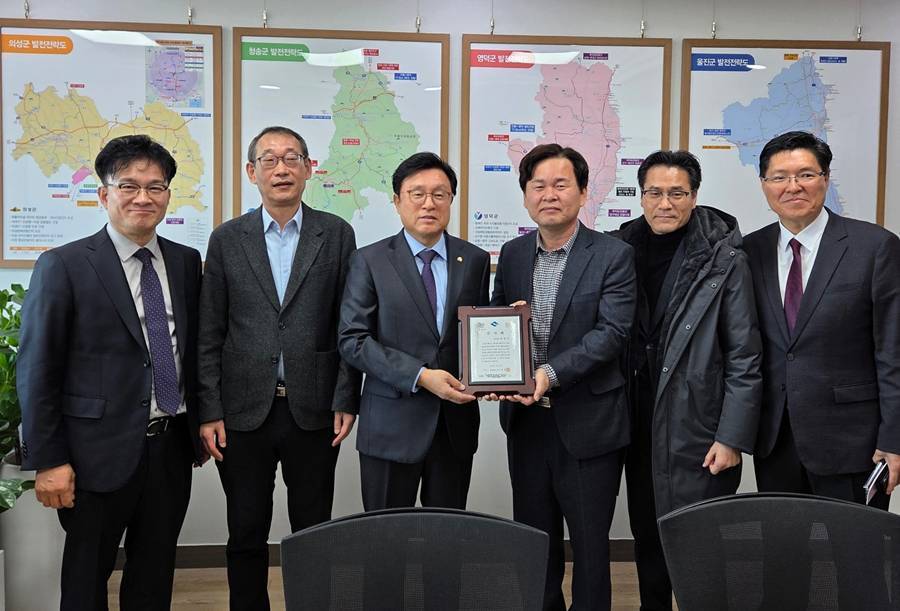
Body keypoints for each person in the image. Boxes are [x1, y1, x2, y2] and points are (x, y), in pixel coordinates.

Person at [18, 134, 203, 610]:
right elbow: (37, 369)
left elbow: (193, 349)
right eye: (129, 186)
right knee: (86, 580)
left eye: (155, 187)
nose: (143, 197)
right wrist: (49, 460)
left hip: (169, 448)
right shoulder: (64, 264)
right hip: (92, 454)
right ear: (104, 194)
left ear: (167, 195)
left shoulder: (185, 262)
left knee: (153, 576)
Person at [198, 126, 360, 610]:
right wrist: (210, 409)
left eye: (292, 158)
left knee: (314, 530)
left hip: (314, 408)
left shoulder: (336, 234)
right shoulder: (227, 239)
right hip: (242, 411)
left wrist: (346, 396)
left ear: (309, 168)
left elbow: (348, 326)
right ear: (252, 172)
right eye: (269, 159)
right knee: (246, 529)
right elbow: (210, 331)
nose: (281, 168)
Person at [745, 131, 900, 610]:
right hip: (776, 438)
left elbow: (893, 351)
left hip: (854, 441)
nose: (793, 186)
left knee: (858, 569)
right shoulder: (748, 251)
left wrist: (894, 439)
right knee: (782, 565)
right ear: (764, 185)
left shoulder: (874, 247)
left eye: (805, 174)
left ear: (825, 179)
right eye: (779, 177)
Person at [489, 143, 635, 611]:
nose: (549, 195)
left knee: (590, 548)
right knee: (536, 543)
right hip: (527, 424)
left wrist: (548, 374)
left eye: (560, 184)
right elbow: (494, 321)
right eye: (538, 186)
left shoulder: (613, 254)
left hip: (589, 422)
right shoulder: (513, 253)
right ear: (525, 195)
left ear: (583, 192)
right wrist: (503, 347)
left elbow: (612, 333)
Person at [616, 150, 761, 610]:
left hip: (698, 425)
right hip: (635, 419)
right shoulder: (619, 250)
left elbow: (744, 356)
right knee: (647, 533)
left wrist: (732, 437)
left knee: (701, 541)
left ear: (694, 196)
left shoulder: (725, 259)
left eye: (677, 193)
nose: (665, 203)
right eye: (655, 193)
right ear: (641, 196)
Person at [338, 152, 489, 511]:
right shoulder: (369, 260)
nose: (428, 204)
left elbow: (479, 332)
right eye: (417, 193)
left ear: (451, 199)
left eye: (439, 194)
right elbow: (353, 340)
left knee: (447, 533)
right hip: (390, 425)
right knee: (387, 535)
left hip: (453, 427)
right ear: (397, 201)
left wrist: (508, 337)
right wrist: (420, 376)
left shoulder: (474, 260)